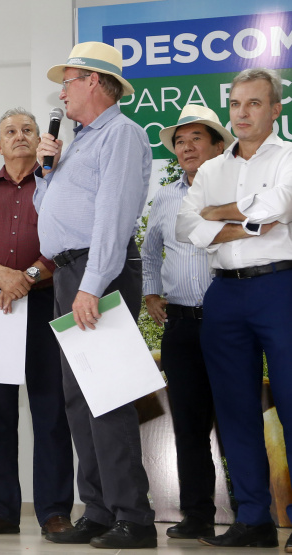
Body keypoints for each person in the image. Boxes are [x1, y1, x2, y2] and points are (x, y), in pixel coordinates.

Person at [35, 42, 156, 549]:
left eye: (69, 79)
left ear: (94, 83)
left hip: (95, 270)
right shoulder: (79, 142)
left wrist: (92, 284)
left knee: (107, 395)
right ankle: (101, 510)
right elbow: (50, 208)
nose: (61, 89)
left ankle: (135, 517)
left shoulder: (121, 134)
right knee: (77, 397)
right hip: (69, 273)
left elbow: (113, 216)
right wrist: (47, 171)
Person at [176, 68, 292, 550]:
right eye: (237, 104)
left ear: (275, 110)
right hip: (222, 293)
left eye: (254, 104)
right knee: (235, 411)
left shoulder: (288, 157)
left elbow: (277, 206)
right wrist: (245, 217)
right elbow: (186, 224)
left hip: (280, 286)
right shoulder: (211, 168)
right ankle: (253, 520)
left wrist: (220, 211)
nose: (243, 113)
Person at [0, 108, 75, 536]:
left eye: (27, 129)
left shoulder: (57, 187)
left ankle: (55, 512)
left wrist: (25, 278)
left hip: (46, 304)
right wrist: (4, 277)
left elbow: (66, 243)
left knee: (50, 412)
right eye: (10, 131)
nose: (19, 136)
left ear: (40, 138)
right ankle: (1, 510)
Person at [143, 104, 230, 540]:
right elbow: (150, 249)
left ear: (218, 145)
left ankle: (253, 515)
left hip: (230, 323)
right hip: (180, 325)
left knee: (236, 421)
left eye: (197, 137)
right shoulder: (166, 196)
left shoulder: (234, 190)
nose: (187, 146)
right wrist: (151, 290)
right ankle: (197, 515)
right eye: (180, 140)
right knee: (190, 426)